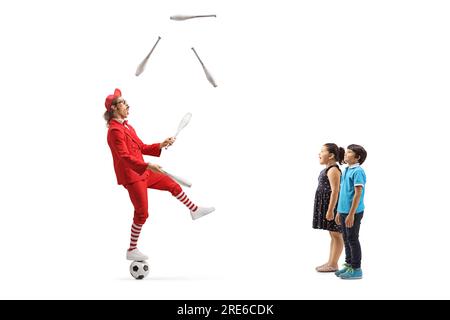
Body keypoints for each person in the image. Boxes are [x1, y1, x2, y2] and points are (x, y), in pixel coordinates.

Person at [104, 88, 215, 261]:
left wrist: (161, 145)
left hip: (144, 170)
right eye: (123, 103)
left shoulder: (127, 127)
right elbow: (124, 158)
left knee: (171, 184)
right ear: (114, 108)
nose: (127, 105)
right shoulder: (114, 131)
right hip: (132, 175)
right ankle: (132, 249)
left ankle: (194, 210)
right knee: (142, 213)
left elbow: (141, 147)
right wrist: (148, 165)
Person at [335, 144, 367, 279]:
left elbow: (358, 193)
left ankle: (356, 268)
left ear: (357, 157)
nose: (345, 154)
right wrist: (338, 211)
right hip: (343, 211)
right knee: (346, 238)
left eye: (349, 153)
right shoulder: (347, 169)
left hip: (352, 212)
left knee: (353, 239)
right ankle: (349, 264)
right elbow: (343, 193)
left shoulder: (358, 171)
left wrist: (351, 214)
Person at [313, 143, 344, 272]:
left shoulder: (333, 170)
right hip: (326, 204)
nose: (319, 154)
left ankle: (334, 264)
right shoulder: (327, 169)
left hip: (333, 206)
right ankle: (331, 262)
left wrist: (331, 209)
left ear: (331, 155)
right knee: (333, 234)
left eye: (322, 151)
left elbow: (335, 190)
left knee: (337, 235)